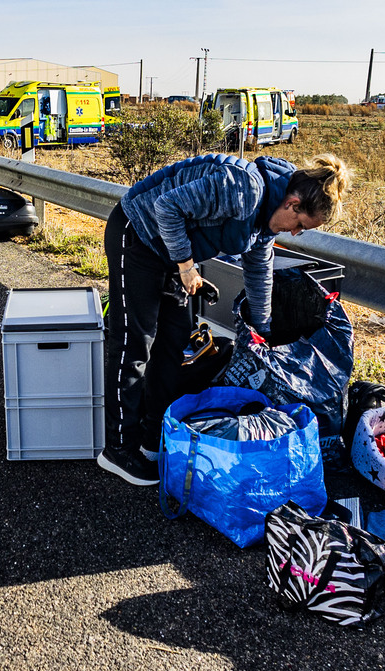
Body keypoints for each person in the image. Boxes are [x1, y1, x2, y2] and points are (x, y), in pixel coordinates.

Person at [97, 152, 351, 485]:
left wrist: (263, 333)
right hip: (139, 234)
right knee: (135, 342)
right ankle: (117, 449)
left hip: (172, 252)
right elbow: (166, 208)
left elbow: (259, 270)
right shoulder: (243, 188)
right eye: (301, 226)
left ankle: (151, 440)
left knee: (174, 342)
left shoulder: (265, 221)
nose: (297, 234)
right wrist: (186, 266)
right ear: (292, 204)